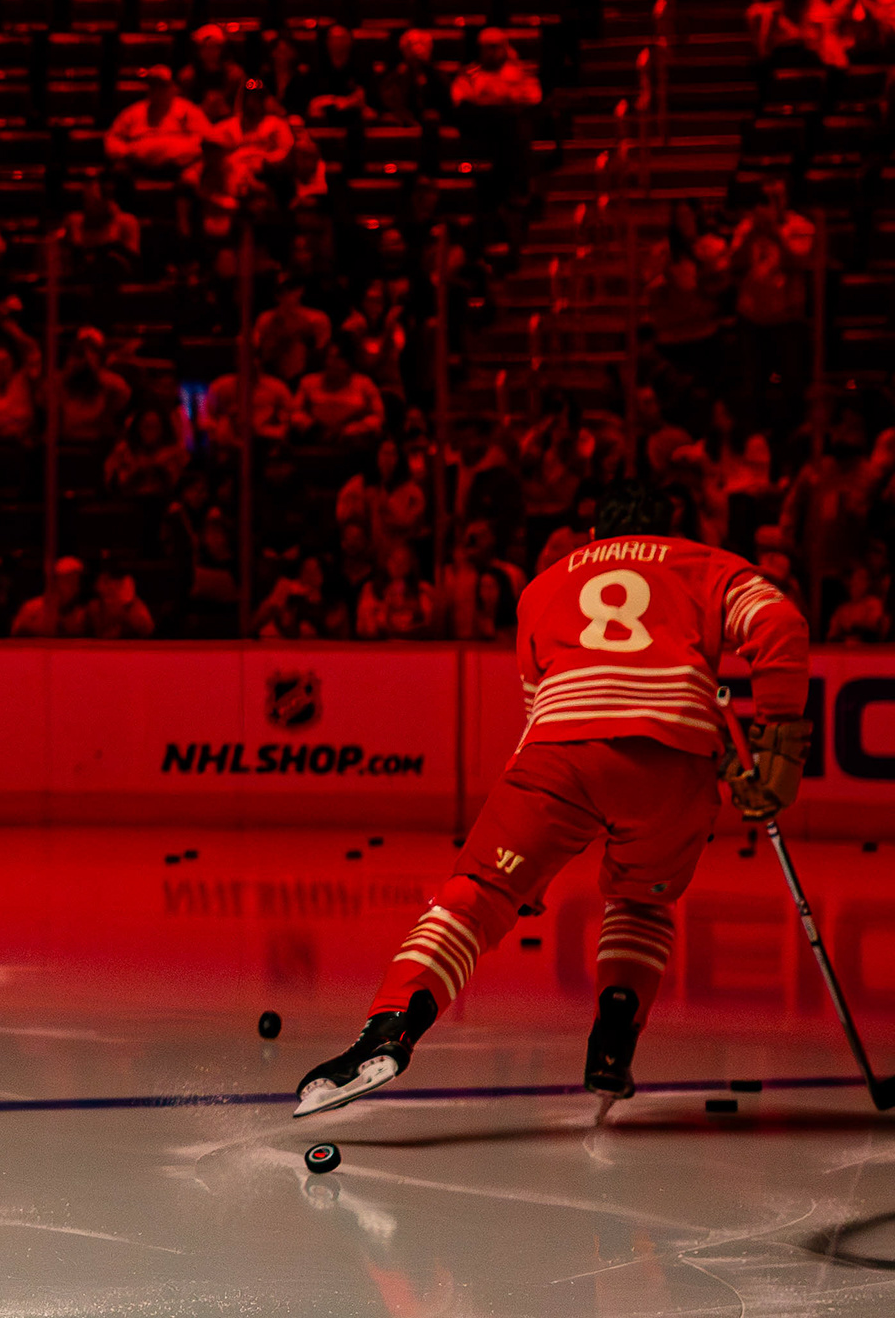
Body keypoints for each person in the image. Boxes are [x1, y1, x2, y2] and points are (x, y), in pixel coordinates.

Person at [296, 478, 809, 1121]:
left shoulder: (543, 584)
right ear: (670, 528)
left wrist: (525, 863)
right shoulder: (704, 563)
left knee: (476, 896)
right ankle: (613, 1041)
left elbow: (536, 707)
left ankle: (388, 1030)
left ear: (592, 535)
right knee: (641, 901)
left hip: (561, 748)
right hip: (673, 760)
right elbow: (780, 623)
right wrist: (778, 739)